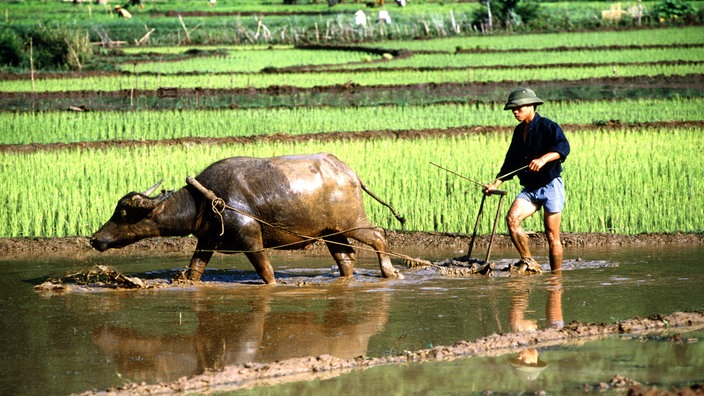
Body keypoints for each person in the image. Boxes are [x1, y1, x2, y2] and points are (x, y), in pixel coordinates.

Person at [484, 88, 570, 273]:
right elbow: (510, 162)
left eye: (519, 108)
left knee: (552, 235)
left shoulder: (548, 126)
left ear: (532, 105)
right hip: (530, 189)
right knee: (512, 219)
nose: (515, 112)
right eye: (513, 109)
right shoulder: (518, 131)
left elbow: (563, 148)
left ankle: (556, 278)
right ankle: (529, 261)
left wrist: (542, 159)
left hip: (550, 185)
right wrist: (495, 184)